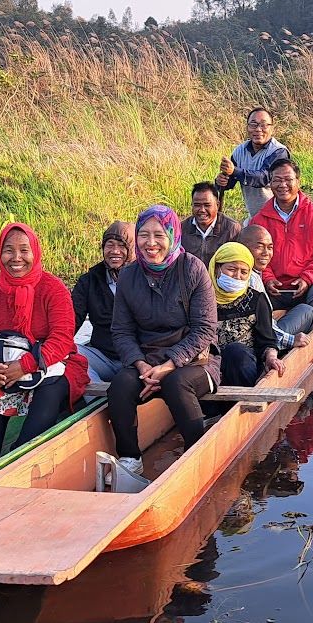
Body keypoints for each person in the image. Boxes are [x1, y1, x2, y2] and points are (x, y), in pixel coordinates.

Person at [0, 222, 88, 482]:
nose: (16, 258)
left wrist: (24, 366)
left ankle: (19, 458)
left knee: (52, 390)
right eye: (8, 250)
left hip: (51, 367)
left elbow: (61, 341)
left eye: (24, 250)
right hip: (5, 367)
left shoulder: (53, 289)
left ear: (35, 253)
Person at [107, 204, 219, 480]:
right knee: (120, 386)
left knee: (175, 383)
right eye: (143, 235)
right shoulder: (129, 276)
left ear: (172, 235)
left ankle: (198, 455)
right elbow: (121, 331)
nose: (151, 243)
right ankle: (130, 459)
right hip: (148, 361)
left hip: (196, 360)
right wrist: (141, 365)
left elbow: (204, 329)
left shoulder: (193, 269)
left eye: (159, 235)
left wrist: (171, 364)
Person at [249, 158, 313, 338]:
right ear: (270, 183)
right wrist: (267, 278)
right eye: (276, 180)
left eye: (288, 180)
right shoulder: (259, 220)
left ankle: (312, 340)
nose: (282, 185)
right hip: (273, 288)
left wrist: (307, 278)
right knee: (249, 296)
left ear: (298, 181)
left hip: (308, 287)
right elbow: (253, 256)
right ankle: (273, 337)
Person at [208, 242, 286, 387]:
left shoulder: (256, 299)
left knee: (236, 351)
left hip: (244, 366)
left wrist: (271, 357)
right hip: (209, 364)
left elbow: (267, 339)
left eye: (244, 272)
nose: (237, 276)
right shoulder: (202, 297)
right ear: (217, 268)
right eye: (231, 269)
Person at [72, 220, 134, 382]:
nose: (115, 251)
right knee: (68, 354)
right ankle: (96, 400)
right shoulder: (89, 281)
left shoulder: (143, 278)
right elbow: (71, 320)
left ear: (132, 249)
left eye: (121, 246)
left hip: (136, 360)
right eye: (109, 245)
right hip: (102, 356)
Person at [237, 225, 309, 351]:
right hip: (255, 341)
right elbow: (263, 329)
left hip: (256, 334)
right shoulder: (250, 277)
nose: (266, 253)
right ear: (242, 248)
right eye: (259, 247)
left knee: (304, 310)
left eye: (270, 247)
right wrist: (292, 340)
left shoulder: (253, 272)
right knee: (307, 312)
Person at [216, 107, 289, 220]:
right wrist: (220, 181)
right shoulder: (239, 151)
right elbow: (229, 182)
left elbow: (263, 177)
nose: (258, 129)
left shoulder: (279, 152)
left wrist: (234, 171)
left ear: (272, 129)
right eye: (253, 125)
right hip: (255, 216)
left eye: (264, 125)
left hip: (279, 217)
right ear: (247, 127)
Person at [180, 182, 241, 264]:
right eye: (197, 205)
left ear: (217, 205)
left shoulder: (232, 229)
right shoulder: (182, 228)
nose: (202, 210)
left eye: (207, 205)